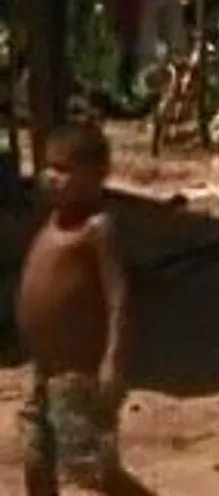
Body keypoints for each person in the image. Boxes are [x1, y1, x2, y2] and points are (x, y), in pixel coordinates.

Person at [14, 121, 148, 495]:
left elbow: (118, 298)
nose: (50, 177)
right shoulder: (51, 223)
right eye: (48, 168)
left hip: (79, 375)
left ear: (97, 177)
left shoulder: (97, 229)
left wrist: (113, 361)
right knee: (35, 457)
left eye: (63, 170)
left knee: (90, 469)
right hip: (42, 370)